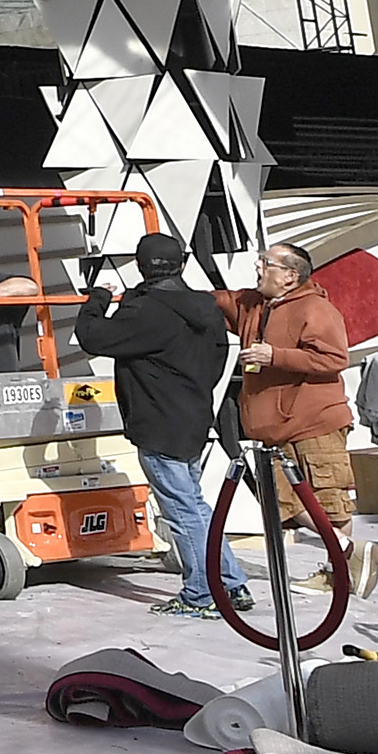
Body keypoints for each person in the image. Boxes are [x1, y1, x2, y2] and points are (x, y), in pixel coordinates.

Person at [78, 239, 244, 619]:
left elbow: (92, 337)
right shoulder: (206, 308)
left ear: (140, 266)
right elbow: (219, 360)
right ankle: (231, 583)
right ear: (183, 264)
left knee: (183, 511)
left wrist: (98, 298)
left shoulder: (146, 312)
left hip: (158, 421)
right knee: (195, 506)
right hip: (195, 414)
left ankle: (201, 593)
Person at [225, 244, 356, 547]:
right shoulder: (256, 304)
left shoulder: (316, 308)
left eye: (265, 262)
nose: (257, 266)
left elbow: (334, 359)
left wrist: (276, 356)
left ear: (289, 276)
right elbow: (219, 301)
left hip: (315, 425)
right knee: (284, 503)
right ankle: (345, 551)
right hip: (275, 431)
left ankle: (340, 572)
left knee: (330, 504)